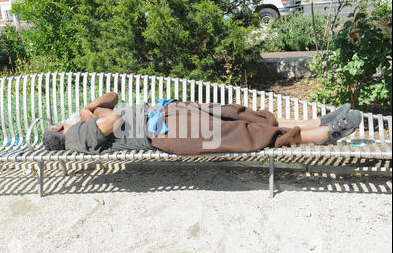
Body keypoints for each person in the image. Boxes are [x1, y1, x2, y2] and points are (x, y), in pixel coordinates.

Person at [42, 91, 362, 155]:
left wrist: (90, 106)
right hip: (168, 133)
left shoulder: (84, 121)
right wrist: (93, 115)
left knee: (238, 114)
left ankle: (317, 120)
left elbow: (112, 97)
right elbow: (113, 119)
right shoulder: (75, 138)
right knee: (242, 134)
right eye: (61, 122)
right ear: (59, 130)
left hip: (168, 114)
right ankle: (322, 135)